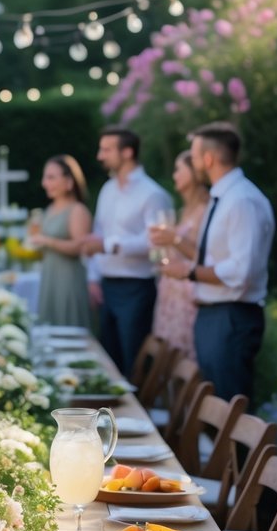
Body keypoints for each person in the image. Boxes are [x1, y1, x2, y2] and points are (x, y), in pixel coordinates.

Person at [160, 121, 274, 406]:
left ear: (208, 159)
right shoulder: (221, 198)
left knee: (231, 411)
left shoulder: (241, 201)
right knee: (216, 411)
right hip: (213, 314)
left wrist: (187, 272)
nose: (194, 161)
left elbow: (240, 271)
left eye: (195, 155)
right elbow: (212, 255)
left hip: (232, 317)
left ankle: (243, 454)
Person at [81, 126, 173, 379]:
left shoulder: (152, 194)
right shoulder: (108, 190)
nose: (100, 156)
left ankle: (137, 416)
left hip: (137, 288)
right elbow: (97, 234)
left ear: (128, 152)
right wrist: (93, 278)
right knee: (108, 359)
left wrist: (110, 245)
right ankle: (108, 418)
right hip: (107, 286)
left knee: (134, 361)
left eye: (107, 149)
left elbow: (155, 244)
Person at [149, 150, 210, 359]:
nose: (174, 175)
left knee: (185, 356)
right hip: (170, 291)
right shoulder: (183, 210)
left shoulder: (205, 209)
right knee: (166, 357)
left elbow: (204, 255)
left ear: (193, 173)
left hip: (188, 292)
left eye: (178, 170)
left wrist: (174, 239)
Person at [32, 155, 92, 328]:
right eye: (45, 177)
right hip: (49, 278)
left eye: (51, 177)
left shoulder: (77, 210)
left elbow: (81, 247)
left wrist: (47, 241)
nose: (45, 183)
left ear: (69, 181)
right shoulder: (49, 209)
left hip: (68, 281)